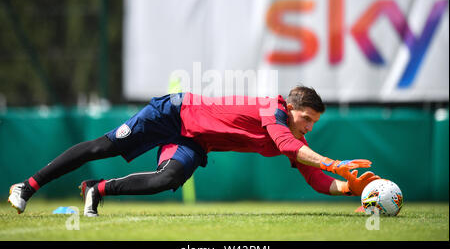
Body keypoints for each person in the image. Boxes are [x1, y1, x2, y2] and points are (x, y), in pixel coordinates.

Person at [8, 85, 379, 217]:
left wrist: (347, 187)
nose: (309, 127)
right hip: (172, 112)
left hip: (193, 141)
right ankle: (27, 186)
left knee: (167, 179)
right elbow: (289, 147)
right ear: (292, 106)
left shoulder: (294, 135)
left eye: (314, 122)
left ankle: (96, 189)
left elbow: (314, 177)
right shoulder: (273, 109)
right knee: (102, 146)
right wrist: (337, 164)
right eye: (307, 118)